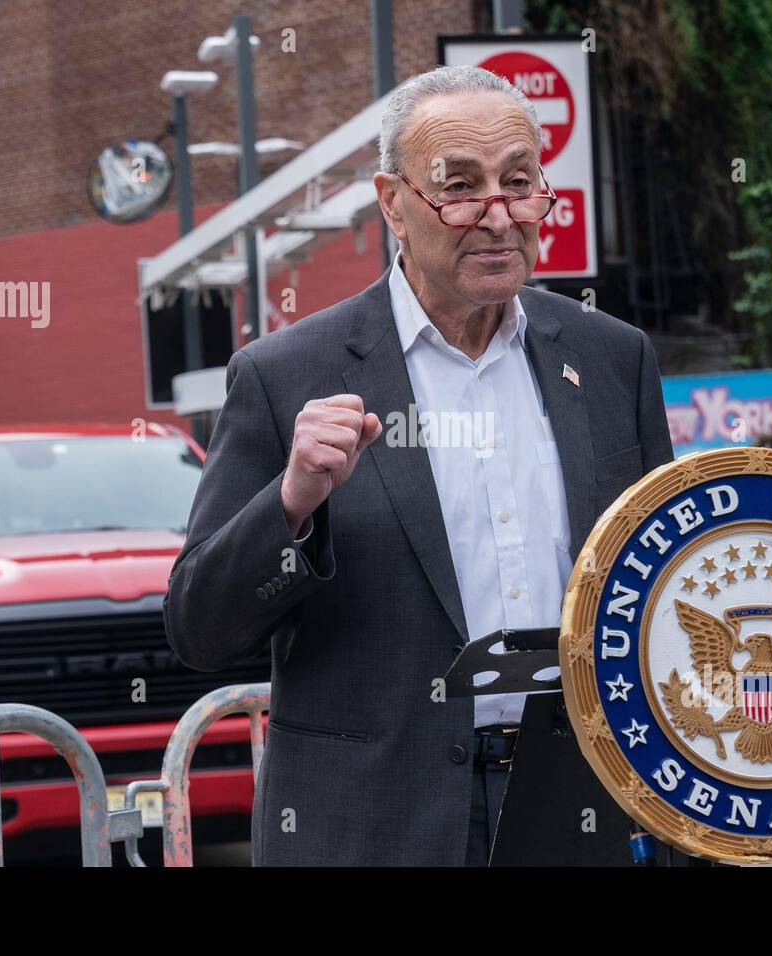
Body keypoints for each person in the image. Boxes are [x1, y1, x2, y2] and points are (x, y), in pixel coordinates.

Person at [163, 64, 674, 866]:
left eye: (519, 183)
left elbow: (656, 588)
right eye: (460, 188)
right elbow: (199, 626)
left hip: (582, 808)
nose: (499, 217)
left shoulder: (615, 360)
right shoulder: (285, 374)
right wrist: (291, 504)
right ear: (393, 203)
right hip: (373, 823)